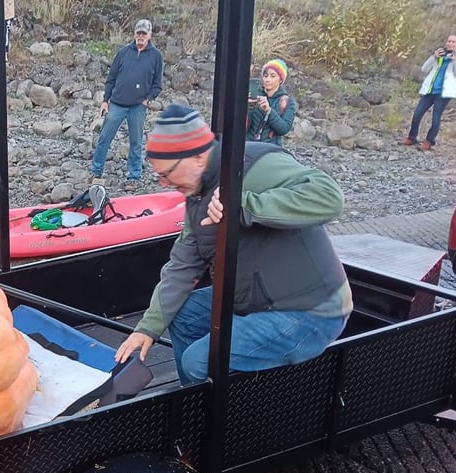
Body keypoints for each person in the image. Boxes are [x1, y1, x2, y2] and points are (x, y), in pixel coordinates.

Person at [114, 105, 352, 385]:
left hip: (312, 310)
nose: (164, 183)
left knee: (198, 362)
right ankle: (201, 400)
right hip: (258, 298)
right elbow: (181, 267)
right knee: (184, 316)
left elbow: (329, 196)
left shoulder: (254, 165)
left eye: (167, 174)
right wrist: (147, 329)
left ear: (198, 157)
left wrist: (243, 205)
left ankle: (217, 416)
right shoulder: (197, 196)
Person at [91, 19, 164, 191]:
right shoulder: (123, 52)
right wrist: (104, 101)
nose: (140, 36)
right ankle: (96, 171)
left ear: (149, 35)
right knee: (104, 138)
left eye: (144, 33)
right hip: (116, 104)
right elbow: (111, 78)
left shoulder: (156, 56)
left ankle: (134, 176)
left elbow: (157, 83)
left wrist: (149, 99)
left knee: (136, 142)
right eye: (138, 33)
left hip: (138, 106)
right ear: (134, 34)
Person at [401, 34, 456, 151]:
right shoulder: (440, 55)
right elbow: (424, 69)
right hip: (430, 90)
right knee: (417, 114)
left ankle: (429, 141)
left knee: (435, 117)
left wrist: (455, 59)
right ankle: (412, 137)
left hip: (443, 93)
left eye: (453, 42)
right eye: (449, 41)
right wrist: (434, 57)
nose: (450, 43)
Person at [246, 59, 295, 145]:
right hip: (249, 146)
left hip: (271, 149)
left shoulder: (286, 101)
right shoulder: (254, 95)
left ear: (280, 80)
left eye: (273, 76)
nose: (267, 79)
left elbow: (283, 129)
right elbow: (242, 127)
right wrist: (249, 107)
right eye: (265, 76)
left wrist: (269, 111)